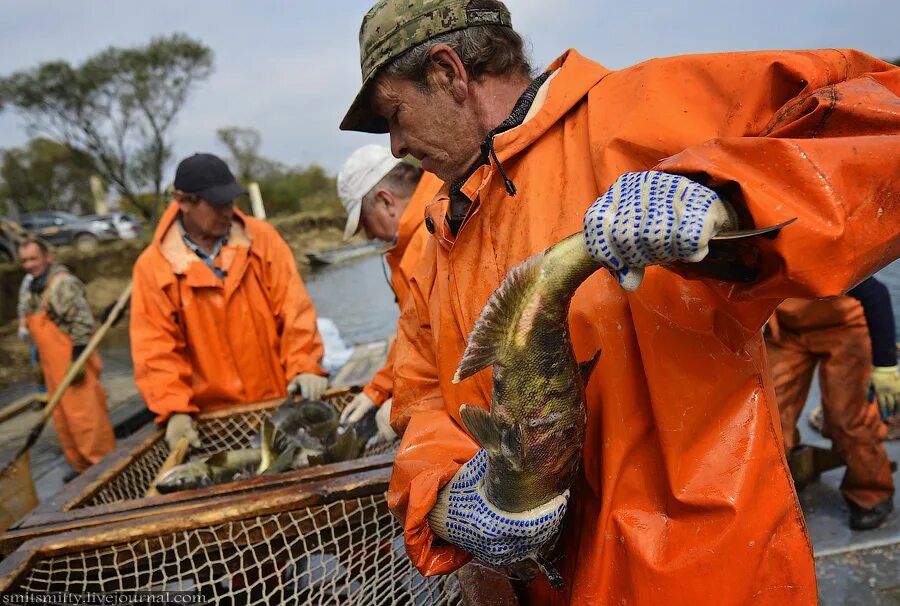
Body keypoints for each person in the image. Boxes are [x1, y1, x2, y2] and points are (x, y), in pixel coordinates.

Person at [340, 1, 900, 604]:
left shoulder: (643, 111)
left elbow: (883, 117)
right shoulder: (434, 238)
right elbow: (421, 392)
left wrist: (732, 196)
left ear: (448, 72)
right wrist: (448, 500)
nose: (394, 146)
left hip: (696, 578)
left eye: (394, 114)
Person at [130, 153, 329, 450]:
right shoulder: (151, 268)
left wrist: (305, 366)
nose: (228, 210)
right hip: (213, 427)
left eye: (231, 201)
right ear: (184, 202)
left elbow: (294, 310)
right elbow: (156, 350)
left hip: (281, 408)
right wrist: (173, 409)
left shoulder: (262, 238)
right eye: (217, 203)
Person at [768, 277, 898, 530]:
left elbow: (876, 293)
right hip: (786, 329)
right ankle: (793, 472)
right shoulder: (755, 247)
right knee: (768, 416)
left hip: (845, 328)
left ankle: (871, 491)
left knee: (848, 417)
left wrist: (886, 364)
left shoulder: (811, 249)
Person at [335, 145, 442, 442]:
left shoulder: (426, 239)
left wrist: (404, 406)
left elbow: (437, 346)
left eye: (365, 223)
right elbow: (413, 332)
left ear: (385, 201)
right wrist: (378, 390)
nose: (369, 236)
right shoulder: (418, 231)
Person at [18, 238, 115, 477]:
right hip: (53, 370)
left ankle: (108, 472)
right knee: (65, 425)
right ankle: (83, 473)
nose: (29, 265)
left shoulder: (62, 284)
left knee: (88, 424)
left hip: (74, 367)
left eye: (33, 258)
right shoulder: (33, 287)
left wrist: (77, 359)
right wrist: (40, 363)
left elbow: (82, 322)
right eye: (24, 261)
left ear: (47, 256)